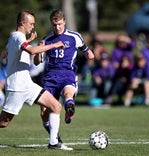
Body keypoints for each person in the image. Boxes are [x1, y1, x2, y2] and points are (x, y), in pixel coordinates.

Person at [0, 10, 73, 150]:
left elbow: (16, 50)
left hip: (28, 84)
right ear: (23, 23)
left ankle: (53, 143)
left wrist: (29, 42)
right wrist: (54, 45)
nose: (32, 27)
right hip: (17, 87)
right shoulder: (17, 37)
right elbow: (32, 51)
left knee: (56, 106)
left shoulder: (17, 38)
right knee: (3, 123)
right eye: (31, 24)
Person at [34, 9, 94, 140]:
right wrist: (39, 50)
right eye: (54, 25)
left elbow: (86, 49)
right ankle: (54, 135)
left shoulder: (74, 36)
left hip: (68, 74)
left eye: (60, 24)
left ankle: (69, 109)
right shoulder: (47, 39)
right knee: (44, 112)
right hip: (50, 77)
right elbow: (37, 62)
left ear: (64, 22)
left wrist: (89, 53)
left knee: (68, 94)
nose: (57, 27)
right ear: (51, 24)